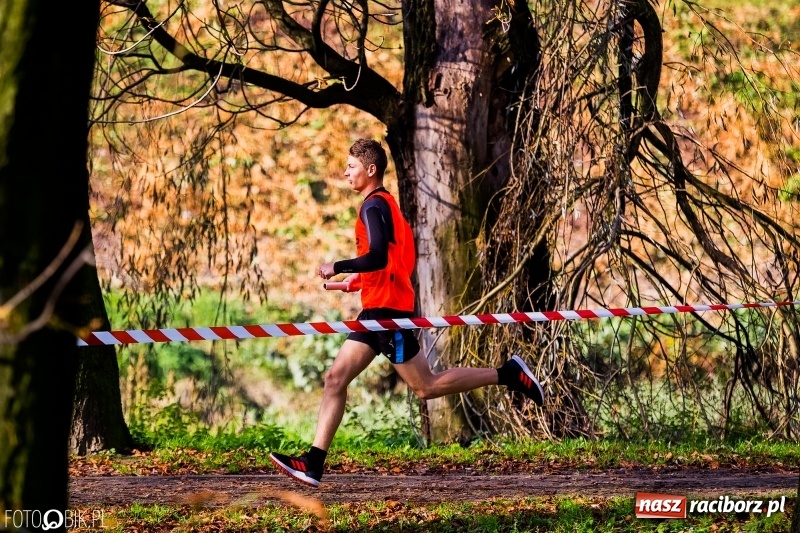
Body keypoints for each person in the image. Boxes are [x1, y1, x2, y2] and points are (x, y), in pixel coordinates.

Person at [269, 139, 544, 488]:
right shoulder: (389, 207)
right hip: (376, 310)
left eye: (351, 166)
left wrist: (337, 266)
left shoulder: (373, 207)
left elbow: (378, 256)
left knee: (425, 386)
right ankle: (313, 463)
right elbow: (396, 262)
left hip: (386, 314)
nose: (345, 172)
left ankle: (508, 374)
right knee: (335, 378)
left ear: (371, 170)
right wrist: (359, 281)